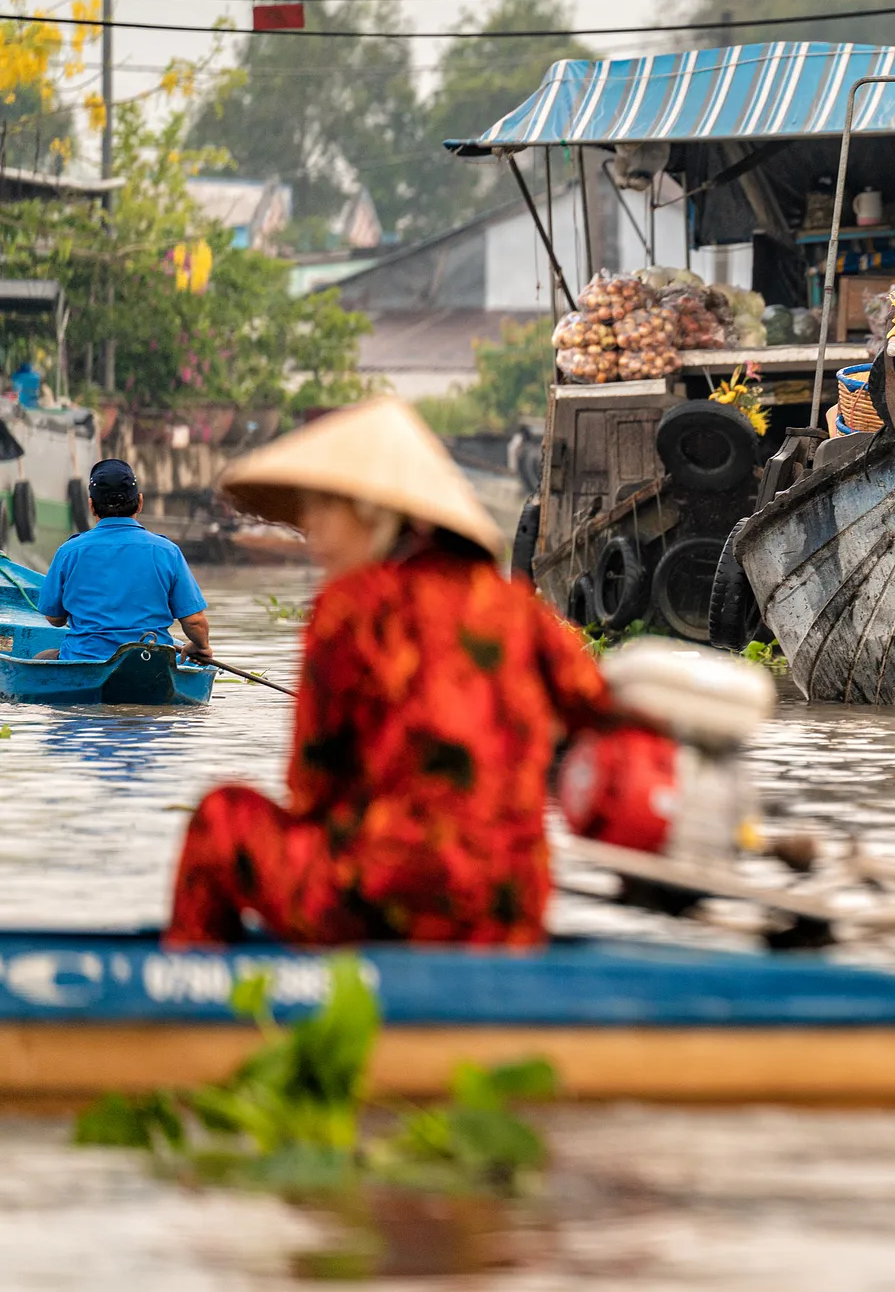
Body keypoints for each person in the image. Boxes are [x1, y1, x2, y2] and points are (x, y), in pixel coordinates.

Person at [165, 397, 626, 947]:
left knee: (221, 818)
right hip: (511, 912)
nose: (311, 532)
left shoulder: (350, 608)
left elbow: (312, 787)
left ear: (373, 512)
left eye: (323, 509)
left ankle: (196, 1006)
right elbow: (602, 715)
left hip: (381, 900)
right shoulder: (519, 608)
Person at [36, 460, 210, 664]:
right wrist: (201, 647)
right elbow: (195, 621)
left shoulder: (69, 551)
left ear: (91, 506)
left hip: (85, 660)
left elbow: (54, 619)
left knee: (42, 657)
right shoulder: (167, 551)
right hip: (151, 661)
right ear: (140, 502)